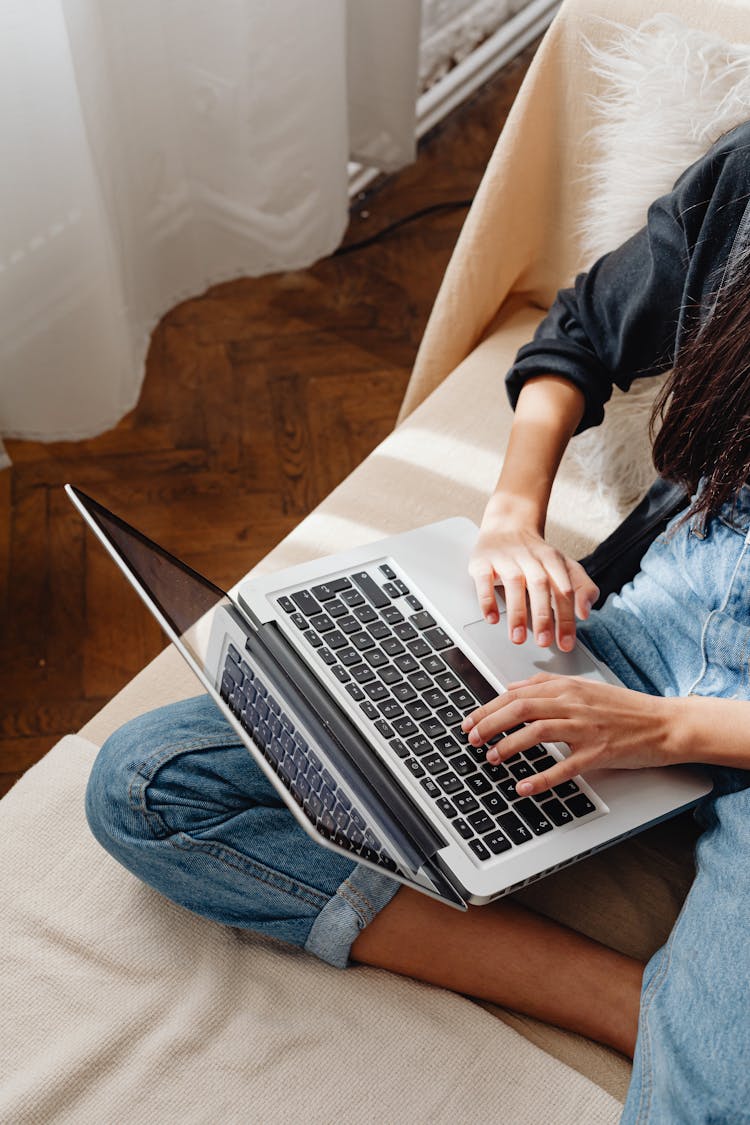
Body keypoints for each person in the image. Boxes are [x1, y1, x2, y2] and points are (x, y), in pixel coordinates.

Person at [85, 120, 750, 1123]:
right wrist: (511, 519)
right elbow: (580, 333)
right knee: (151, 788)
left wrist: (667, 733)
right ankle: (626, 1005)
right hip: (637, 636)